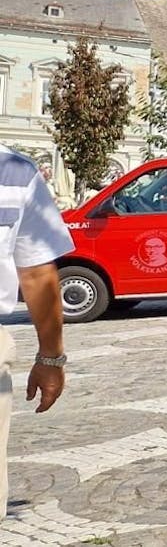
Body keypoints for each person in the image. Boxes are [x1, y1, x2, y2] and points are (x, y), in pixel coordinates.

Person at [0, 146, 71, 521]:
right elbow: (36, 274)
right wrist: (50, 358)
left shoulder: (15, 172)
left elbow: (37, 274)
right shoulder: (12, 171)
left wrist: (51, 356)